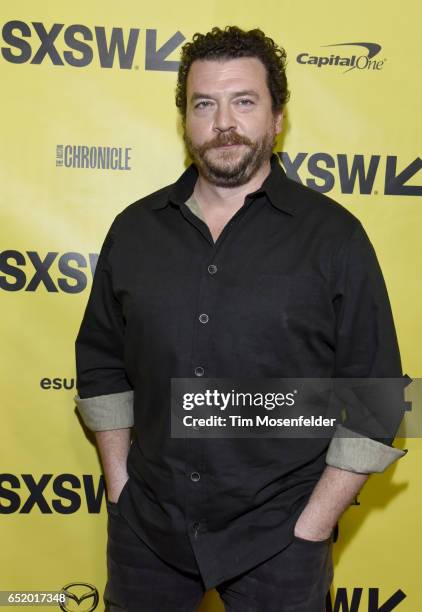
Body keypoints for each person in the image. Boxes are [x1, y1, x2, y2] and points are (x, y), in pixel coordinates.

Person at [75, 26, 406, 612]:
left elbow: (377, 398)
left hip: (281, 537)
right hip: (148, 532)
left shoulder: (335, 237)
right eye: (205, 103)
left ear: (276, 117)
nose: (223, 122)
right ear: (186, 120)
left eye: (243, 101)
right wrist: (121, 487)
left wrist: (312, 526)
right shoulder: (134, 231)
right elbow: (101, 364)